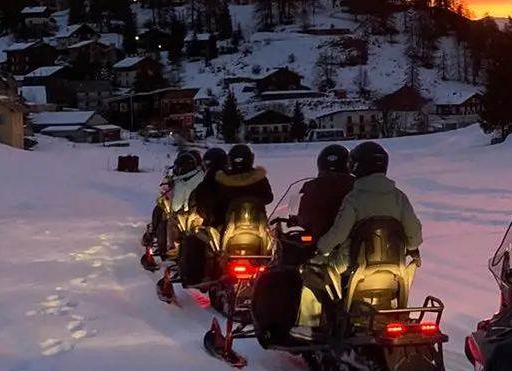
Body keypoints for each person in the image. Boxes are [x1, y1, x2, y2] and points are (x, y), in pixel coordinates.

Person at [293, 141, 422, 336]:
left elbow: (339, 234)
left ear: (357, 167)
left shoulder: (354, 198)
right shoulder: (399, 197)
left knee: (311, 270)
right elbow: (415, 234)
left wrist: (320, 248)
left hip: (353, 263)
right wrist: (410, 246)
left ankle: (309, 327)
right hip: (395, 265)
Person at [180, 144, 275, 285]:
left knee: (200, 239)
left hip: (229, 227)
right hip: (257, 227)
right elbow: (268, 198)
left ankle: (200, 275)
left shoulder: (223, 180)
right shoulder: (259, 179)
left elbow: (215, 203)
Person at [296, 144, 355, 238]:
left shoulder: (312, 187)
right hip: (352, 241)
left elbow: (304, 218)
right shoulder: (356, 185)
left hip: (319, 241)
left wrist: (298, 220)